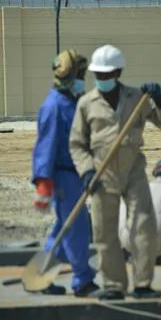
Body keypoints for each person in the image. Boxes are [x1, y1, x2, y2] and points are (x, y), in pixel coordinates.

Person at [69, 44, 161, 300]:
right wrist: (85, 172)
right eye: (98, 75)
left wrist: (158, 100)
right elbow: (77, 144)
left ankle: (142, 284)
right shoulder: (86, 103)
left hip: (133, 171)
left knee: (143, 227)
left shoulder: (137, 98)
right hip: (101, 176)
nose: (102, 79)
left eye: (107, 74)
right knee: (105, 233)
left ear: (118, 72)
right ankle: (114, 286)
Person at [32, 49, 99, 297]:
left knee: (64, 229)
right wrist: (43, 183)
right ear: (69, 75)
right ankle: (83, 281)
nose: (83, 79)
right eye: (80, 74)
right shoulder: (54, 106)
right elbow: (45, 146)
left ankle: (40, 277)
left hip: (74, 175)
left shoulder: (69, 101)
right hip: (63, 177)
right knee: (78, 228)